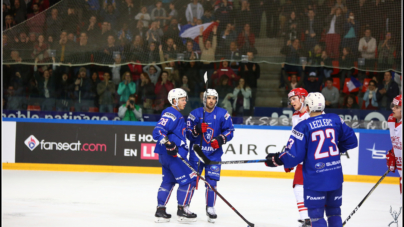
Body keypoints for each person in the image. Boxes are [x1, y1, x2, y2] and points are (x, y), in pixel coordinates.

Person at [264, 92, 358, 227]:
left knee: (316, 215)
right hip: (335, 175)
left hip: (316, 178)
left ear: (307, 107)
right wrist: (336, 150)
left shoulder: (303, 126)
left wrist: (276, 159)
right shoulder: (335, 119)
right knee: (334, 212)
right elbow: (352, 140)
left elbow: (293, 155)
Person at [186, 88, 234, 223]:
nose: (211, 100)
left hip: (213, 155)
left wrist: (220, 139)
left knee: (212, 182)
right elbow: (188, 133)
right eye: (209, 98)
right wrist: (196, 130)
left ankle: (210, 207)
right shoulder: (195, 114)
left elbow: (230, 131)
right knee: (191, 182)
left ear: (216, 100)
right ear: (204, 99)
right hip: (196, 154)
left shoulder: (223, 114)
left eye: (213, 98)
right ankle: (185, 206)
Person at [152, 88, 197, 223]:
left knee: (168, 182)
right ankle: (182, 211)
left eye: (185, 99)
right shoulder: (171, 113)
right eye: (182, 99)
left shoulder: (176, 114)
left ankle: (160, 210)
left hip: (168, 156)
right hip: (174, 156)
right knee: (189, 180)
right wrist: (168, 143)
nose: (185, 102)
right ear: (174, 101)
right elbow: (157, 131)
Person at [285, 88, 311, 227]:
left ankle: (316, 218)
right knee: (298, 187)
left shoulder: (313, 114)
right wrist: (289, 157)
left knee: (316, 191)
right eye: (290, 99)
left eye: (294, 98)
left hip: (315, 160)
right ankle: (306, 219)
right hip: (303, 160)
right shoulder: (295, 115)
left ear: (303, 99)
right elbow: (294, 139)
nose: (292, 102)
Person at [386, 94, 402, 200]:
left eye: (397, 107)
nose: (393, 109)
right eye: (393, 106)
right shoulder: (391, 120)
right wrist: (393, 153)